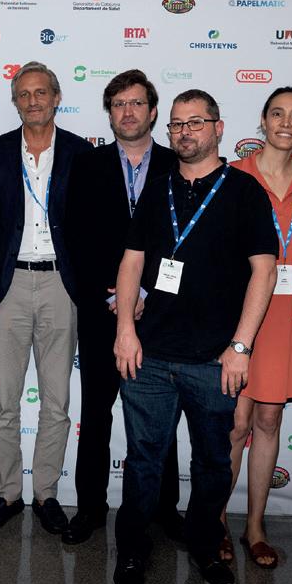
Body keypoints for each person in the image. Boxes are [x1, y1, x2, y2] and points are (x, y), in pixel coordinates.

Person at [112, 89, 278, 584]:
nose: (185, 132)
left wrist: (241, 347)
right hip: (150, 356)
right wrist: (125, 330)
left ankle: (207, 546)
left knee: (211, 463)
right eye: (177, 124)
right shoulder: (157, 188)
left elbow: (264, 271)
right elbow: (132, 262)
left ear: (218, 128)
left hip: (214, 360)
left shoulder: (244, 192)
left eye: (196, 122)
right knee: (143, 462)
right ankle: (132, 551)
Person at [0, 61, 91, 534]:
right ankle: (7, 494)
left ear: (57, 98)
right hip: (8, 286)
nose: (33, 101)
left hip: (62, 285)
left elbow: (92, 228)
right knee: (5, 403)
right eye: (24, 94)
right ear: (15, 102)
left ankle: (46, 494)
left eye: (41, 92)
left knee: (57, 402)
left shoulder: (81, 153)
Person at [63, 69, 184, 546]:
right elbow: (75, 238)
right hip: (102, 313)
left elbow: (182, 243)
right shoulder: (87, 165)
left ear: (153, 112)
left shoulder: (177, 164)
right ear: (109, 113)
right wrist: (113, 296)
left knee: (160, 418)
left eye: (136, 103)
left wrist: (145, 294)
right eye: (118, 104)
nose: (127, 112)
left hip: (161, 313)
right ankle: (90, 508)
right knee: (96, 414)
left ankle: (164, 509)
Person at [221, 86, 292, 566]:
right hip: (241, 314)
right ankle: (215, 520)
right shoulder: (232, 177)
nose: (285, 122)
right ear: (262, 121)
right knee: (235, 424)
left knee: (267, 420)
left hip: (291, 318)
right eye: (277, 113)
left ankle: (255, 525)